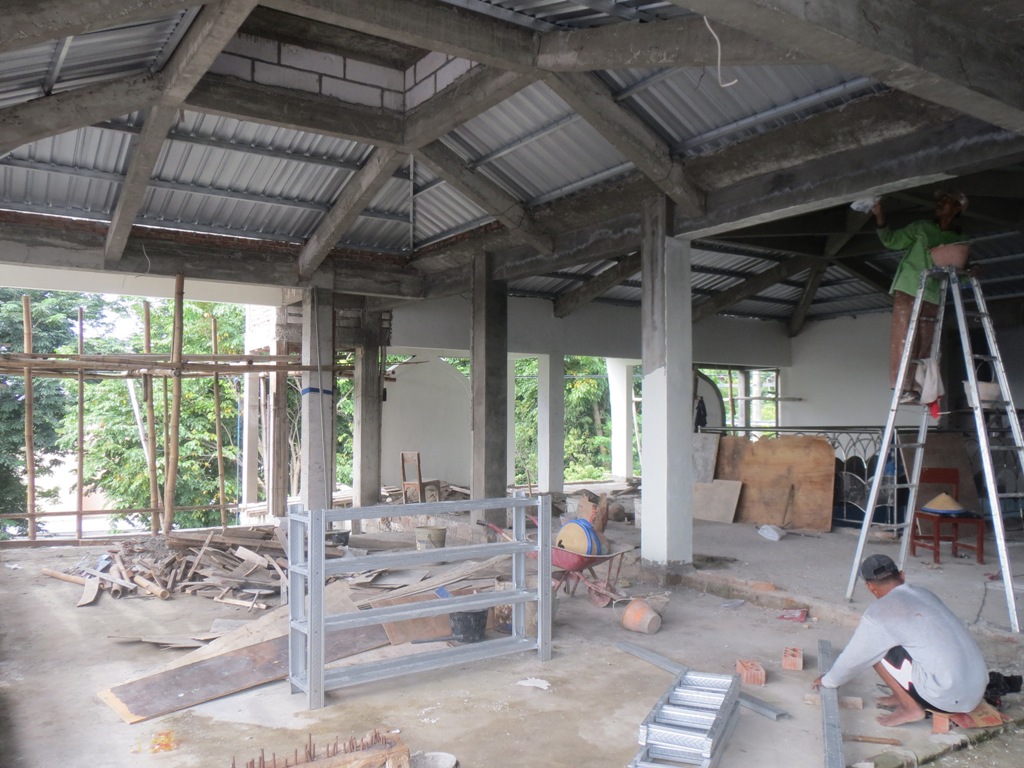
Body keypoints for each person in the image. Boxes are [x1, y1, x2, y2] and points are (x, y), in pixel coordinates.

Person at [812, 554, 987, 727]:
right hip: (977, 690)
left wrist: (829, 680)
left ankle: (910, 708)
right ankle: (903, 694)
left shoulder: (880, 614)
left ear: (870, 586)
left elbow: (853, 658)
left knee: (874, 650)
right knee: (898, 641)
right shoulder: (925, 594)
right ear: (902, 575)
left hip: (946, 698)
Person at [872, 190, 968, 403]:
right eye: (939, 201)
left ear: (957, 208)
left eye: (946, 200)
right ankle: (901, 386)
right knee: (904, 337)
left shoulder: (958, 239)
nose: (939, 204)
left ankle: (915, 388)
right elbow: (891, 240)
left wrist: (972, 270)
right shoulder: (921, 228)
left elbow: (960, 273)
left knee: (925, 341)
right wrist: (879, 216)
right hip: (909, 286)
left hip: (933, 293)